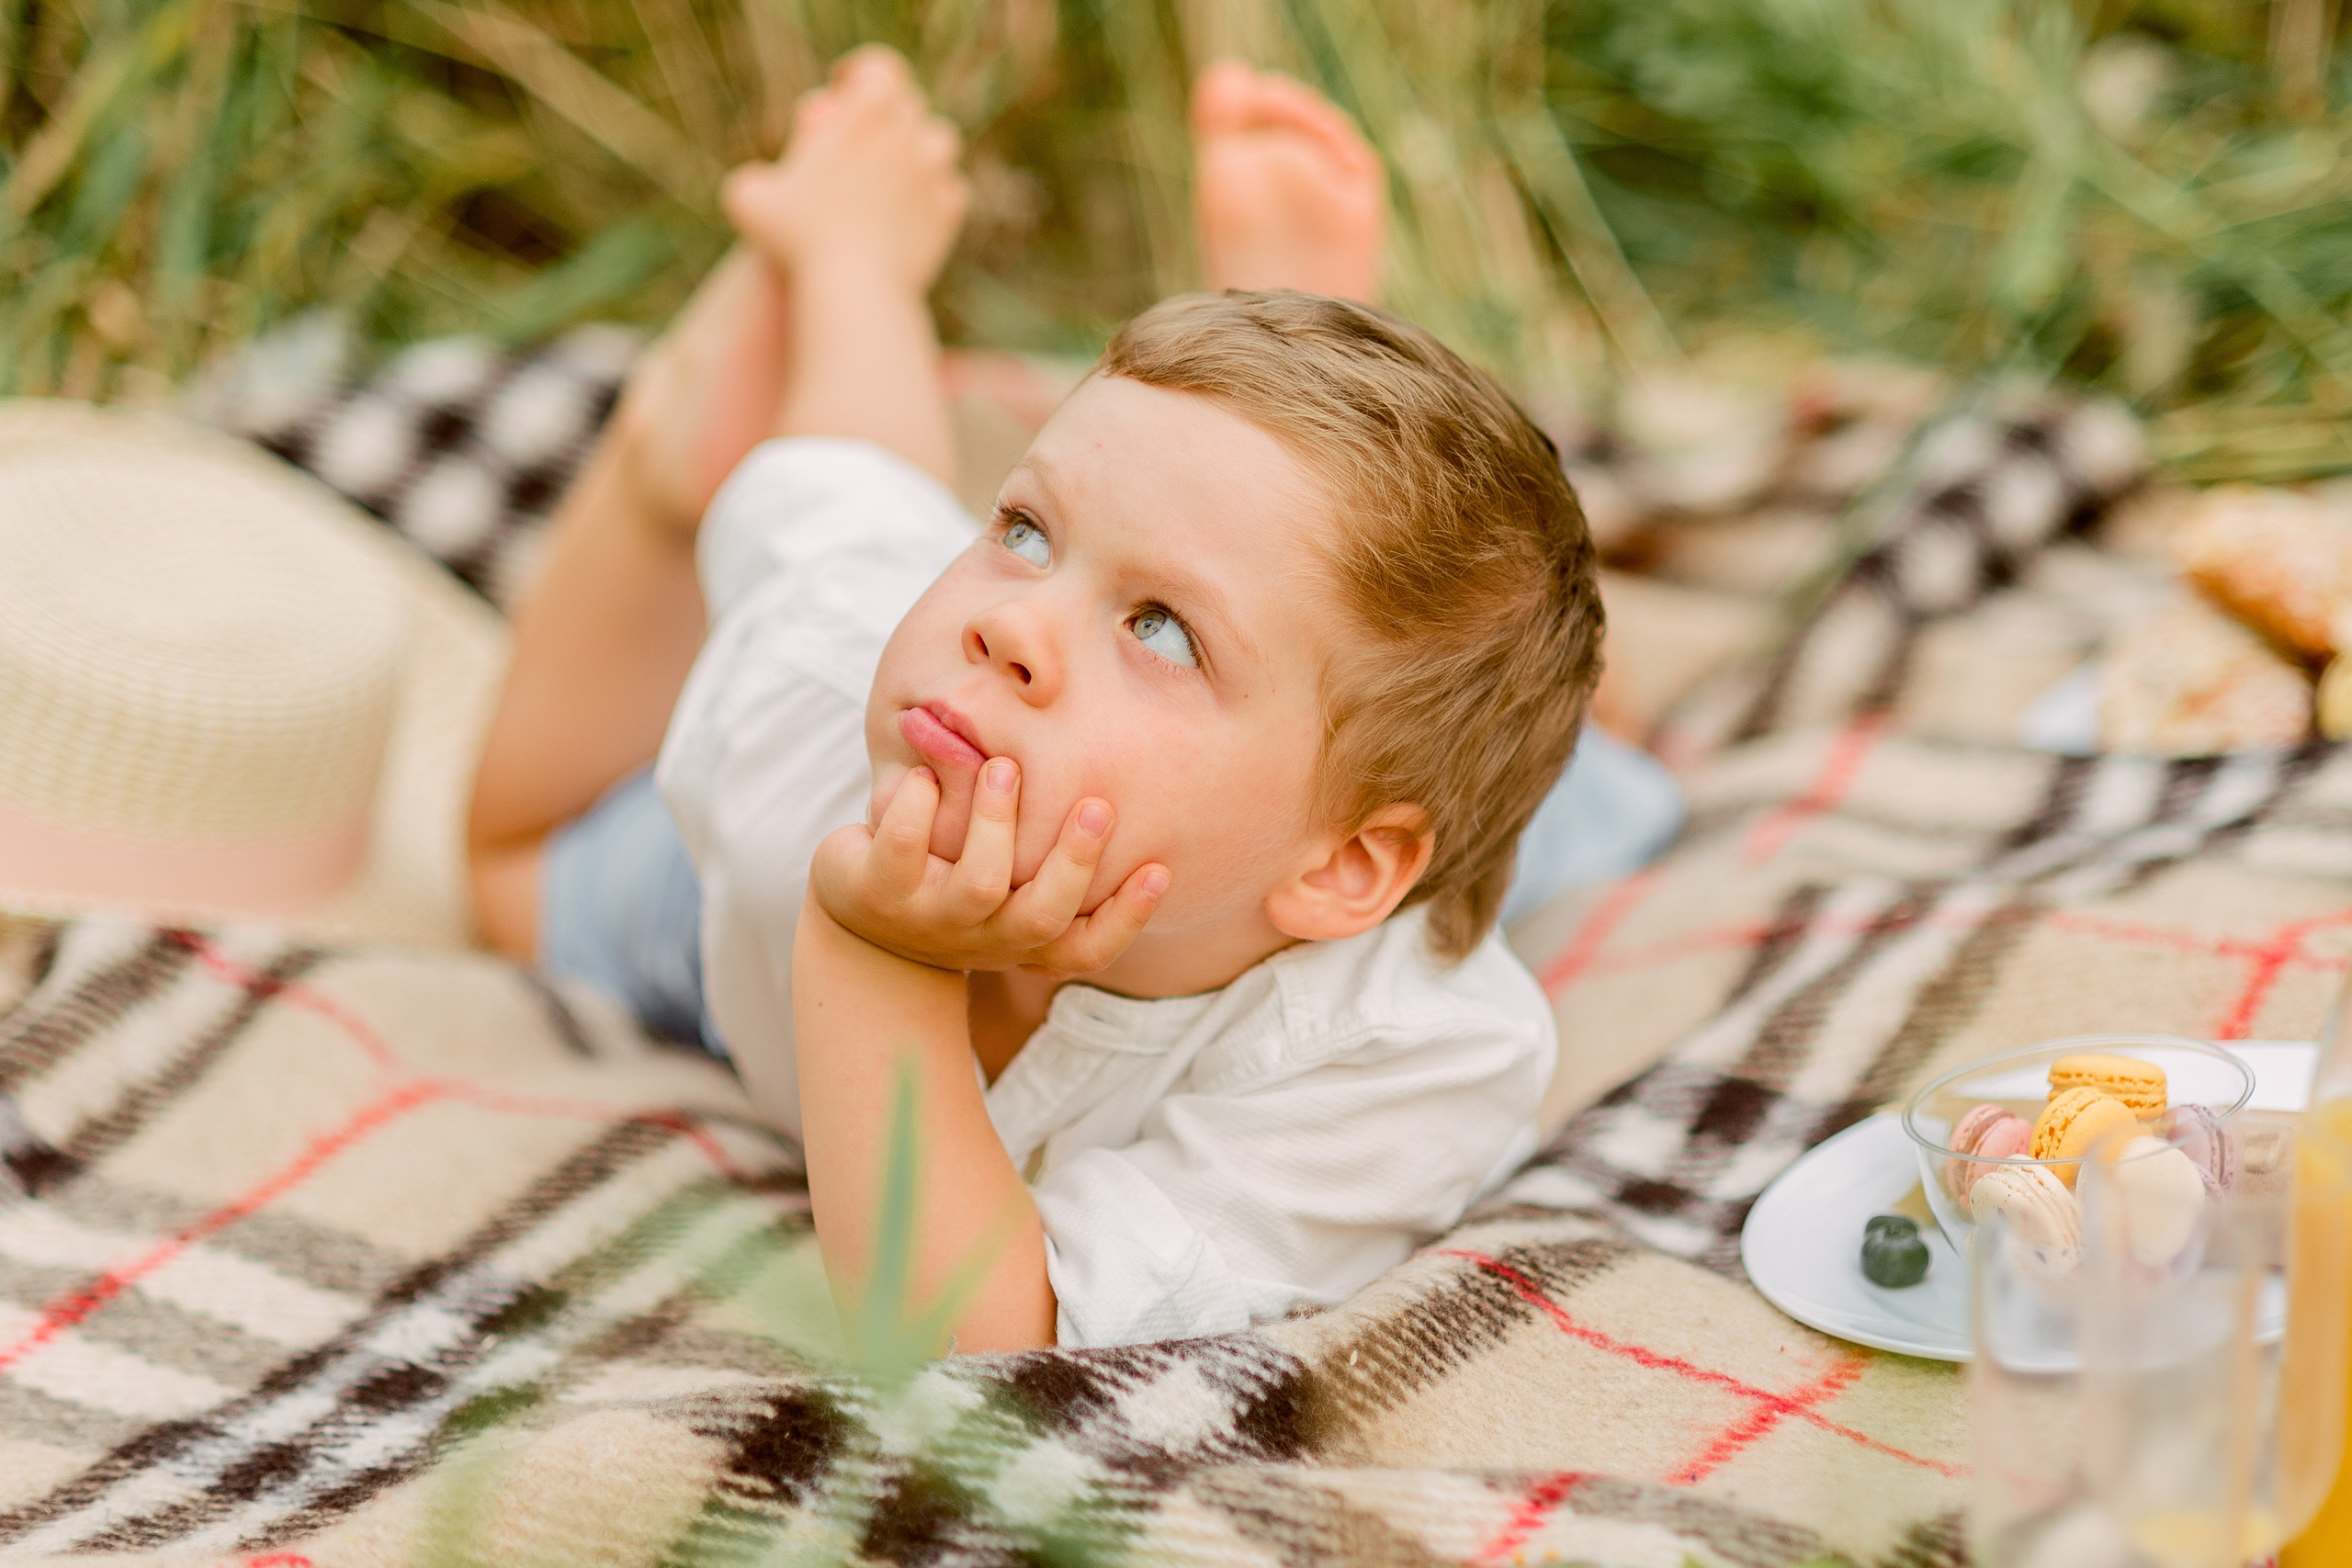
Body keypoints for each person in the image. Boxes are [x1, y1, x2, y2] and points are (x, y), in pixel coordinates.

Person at [466, 48, 1652, 1353]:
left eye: (1159, 628)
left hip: (1336, 859)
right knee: (505, 874)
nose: (1009, 621)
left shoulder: (1406, 1056)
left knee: (1601, 802)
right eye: (1025, 528)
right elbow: (860, 484)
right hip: (761, 889)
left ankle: (1343, 447)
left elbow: (981, 1338)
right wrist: (852, 263)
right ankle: (686, 439)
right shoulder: (811, 715)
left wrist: (883, 962)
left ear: (1346, 872)